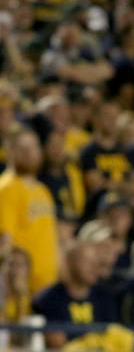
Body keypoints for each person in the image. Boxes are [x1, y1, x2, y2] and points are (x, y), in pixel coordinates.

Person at [31, 222, 118, 347]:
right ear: (70, 262)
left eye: (96, 263)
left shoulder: (105, 297)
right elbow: (56, 343)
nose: (94, 268)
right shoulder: (49, 299)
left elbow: (114, 337)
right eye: (87, 262)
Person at [0, 126, 59, 294]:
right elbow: (4, 242)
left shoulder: (43, 190)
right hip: (22, 290)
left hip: (48, 285)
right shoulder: (6, 188)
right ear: (9, 152)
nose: (29, 153)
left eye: (33, 147)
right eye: (22, 148)